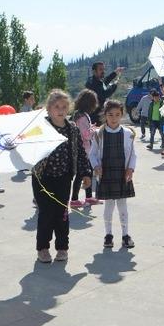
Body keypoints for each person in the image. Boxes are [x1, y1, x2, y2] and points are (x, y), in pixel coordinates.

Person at [31, 89, 92, 263]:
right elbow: (28, 147)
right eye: (56, 106)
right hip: (42, 178)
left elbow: (80, 152)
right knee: (46, 214)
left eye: (64, 107)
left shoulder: (72, 129)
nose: (61, 110)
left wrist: (85, 173)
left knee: (62, 214)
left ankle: (62, 248)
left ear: (69, 108)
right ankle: (43, 248)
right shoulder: (40, 127)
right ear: (49, 109)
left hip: (64, 178)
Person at [89, 100, 137, 249]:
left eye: (117, 114)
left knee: (123, 206)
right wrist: (96, 166)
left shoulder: (128, 133)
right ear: (105, 115)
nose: (114, 118)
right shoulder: (98, 134)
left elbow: (133, 155)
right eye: (110, 115)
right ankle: (108, 235)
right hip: (106, 174)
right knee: (109, 206)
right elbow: (92, 154)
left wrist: (130, 169)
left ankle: (125, 235)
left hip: (122, 173)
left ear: (122, 115)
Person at [70, 89, 101, 208]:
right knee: (81, 174)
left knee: (88, 172)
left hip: (84, 149)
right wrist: (93, 130)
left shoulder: (80, 114)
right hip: (83, 149)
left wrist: (90, 127)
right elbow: (86, 135)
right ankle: (74, 199)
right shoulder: (82, 117)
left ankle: (88, 197)